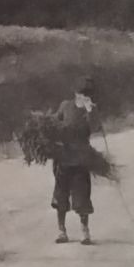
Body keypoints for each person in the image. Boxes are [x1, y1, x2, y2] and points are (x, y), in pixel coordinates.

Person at [51, 76, 100, 245]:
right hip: (63, 158)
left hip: (81, 159)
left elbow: (95, 128)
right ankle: (61, 231)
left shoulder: (90, 109)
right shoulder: (65, 106)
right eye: (81, 93)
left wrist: (91, 110)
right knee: (60, 195)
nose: (83, 96)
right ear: (75, 93)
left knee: (82, 196)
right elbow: (53, 124)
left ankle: (85, 231)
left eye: (87, 94)